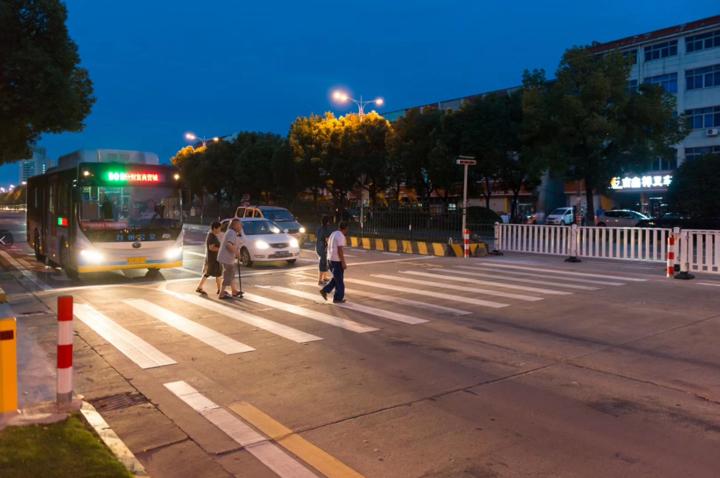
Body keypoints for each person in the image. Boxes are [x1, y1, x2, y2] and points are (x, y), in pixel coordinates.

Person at [319, 222, 348, 304]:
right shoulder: (341, 236)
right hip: (337, 261)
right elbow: (340, 250)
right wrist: (343, 262)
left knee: (336, 278)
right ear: (345, 229)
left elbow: (328, 244)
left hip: (330, 259)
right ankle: (338, 298)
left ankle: (325, 290)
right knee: (339, 281)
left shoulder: (333, 233)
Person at [217, 218, 243, 299]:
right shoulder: (232, 233)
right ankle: (221, 293)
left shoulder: (231, 232)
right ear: (235, 226)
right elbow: (229, 245)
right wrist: (237, 253)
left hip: (226, 258)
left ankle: (234, 291)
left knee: (231, 274)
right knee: (228, 275)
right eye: (239, 225)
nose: (241, 227)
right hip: (226, 258)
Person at [195, 221, 222, 296]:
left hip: (214, 259)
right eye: (219, 228)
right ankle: (220, 290)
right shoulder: (211, 236)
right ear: (214, 228)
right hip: (213, 259)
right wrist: (221, 249)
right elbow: (211, 248)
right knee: (213, 273)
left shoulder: (213, 235)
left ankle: (219, 289)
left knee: (214, 274)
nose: (220, 230)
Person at [315, 215, 332, 285]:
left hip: (318, 246)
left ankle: (324, 277)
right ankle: (320, 280)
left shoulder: (319, 228)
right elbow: (327, 239)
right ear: (327, 222)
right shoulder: (326, 229)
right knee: (322, 263)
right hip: (323, 248)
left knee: (324, 262)